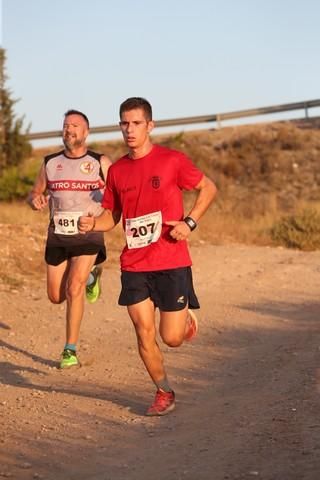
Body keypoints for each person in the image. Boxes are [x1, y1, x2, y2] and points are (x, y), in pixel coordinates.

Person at [79, 97, 217, 415]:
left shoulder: (172, 161)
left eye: (136, 123)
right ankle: (163, 391)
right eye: (124, 123)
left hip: (172, 261)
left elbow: (208, 187)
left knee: (171, 338)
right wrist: (92, 224)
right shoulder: (117, 172)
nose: (130, 129)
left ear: (150, 126)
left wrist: (190, 222)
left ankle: (182, 322)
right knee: (143, 330)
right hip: (135, 264)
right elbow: (111, 216)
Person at [27, 109, 112, 369]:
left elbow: (117, 197)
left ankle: (69, 350)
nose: (69, 129)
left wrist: (101, 220)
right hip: (58, 236)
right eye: (65, 125)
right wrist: (35, 200)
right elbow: (34, 192)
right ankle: (92, 277)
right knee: (56, 295)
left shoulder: (100, 162)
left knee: (74, 288)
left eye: (75, 125)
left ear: (86, 132)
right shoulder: (50, 162)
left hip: (88, 234)